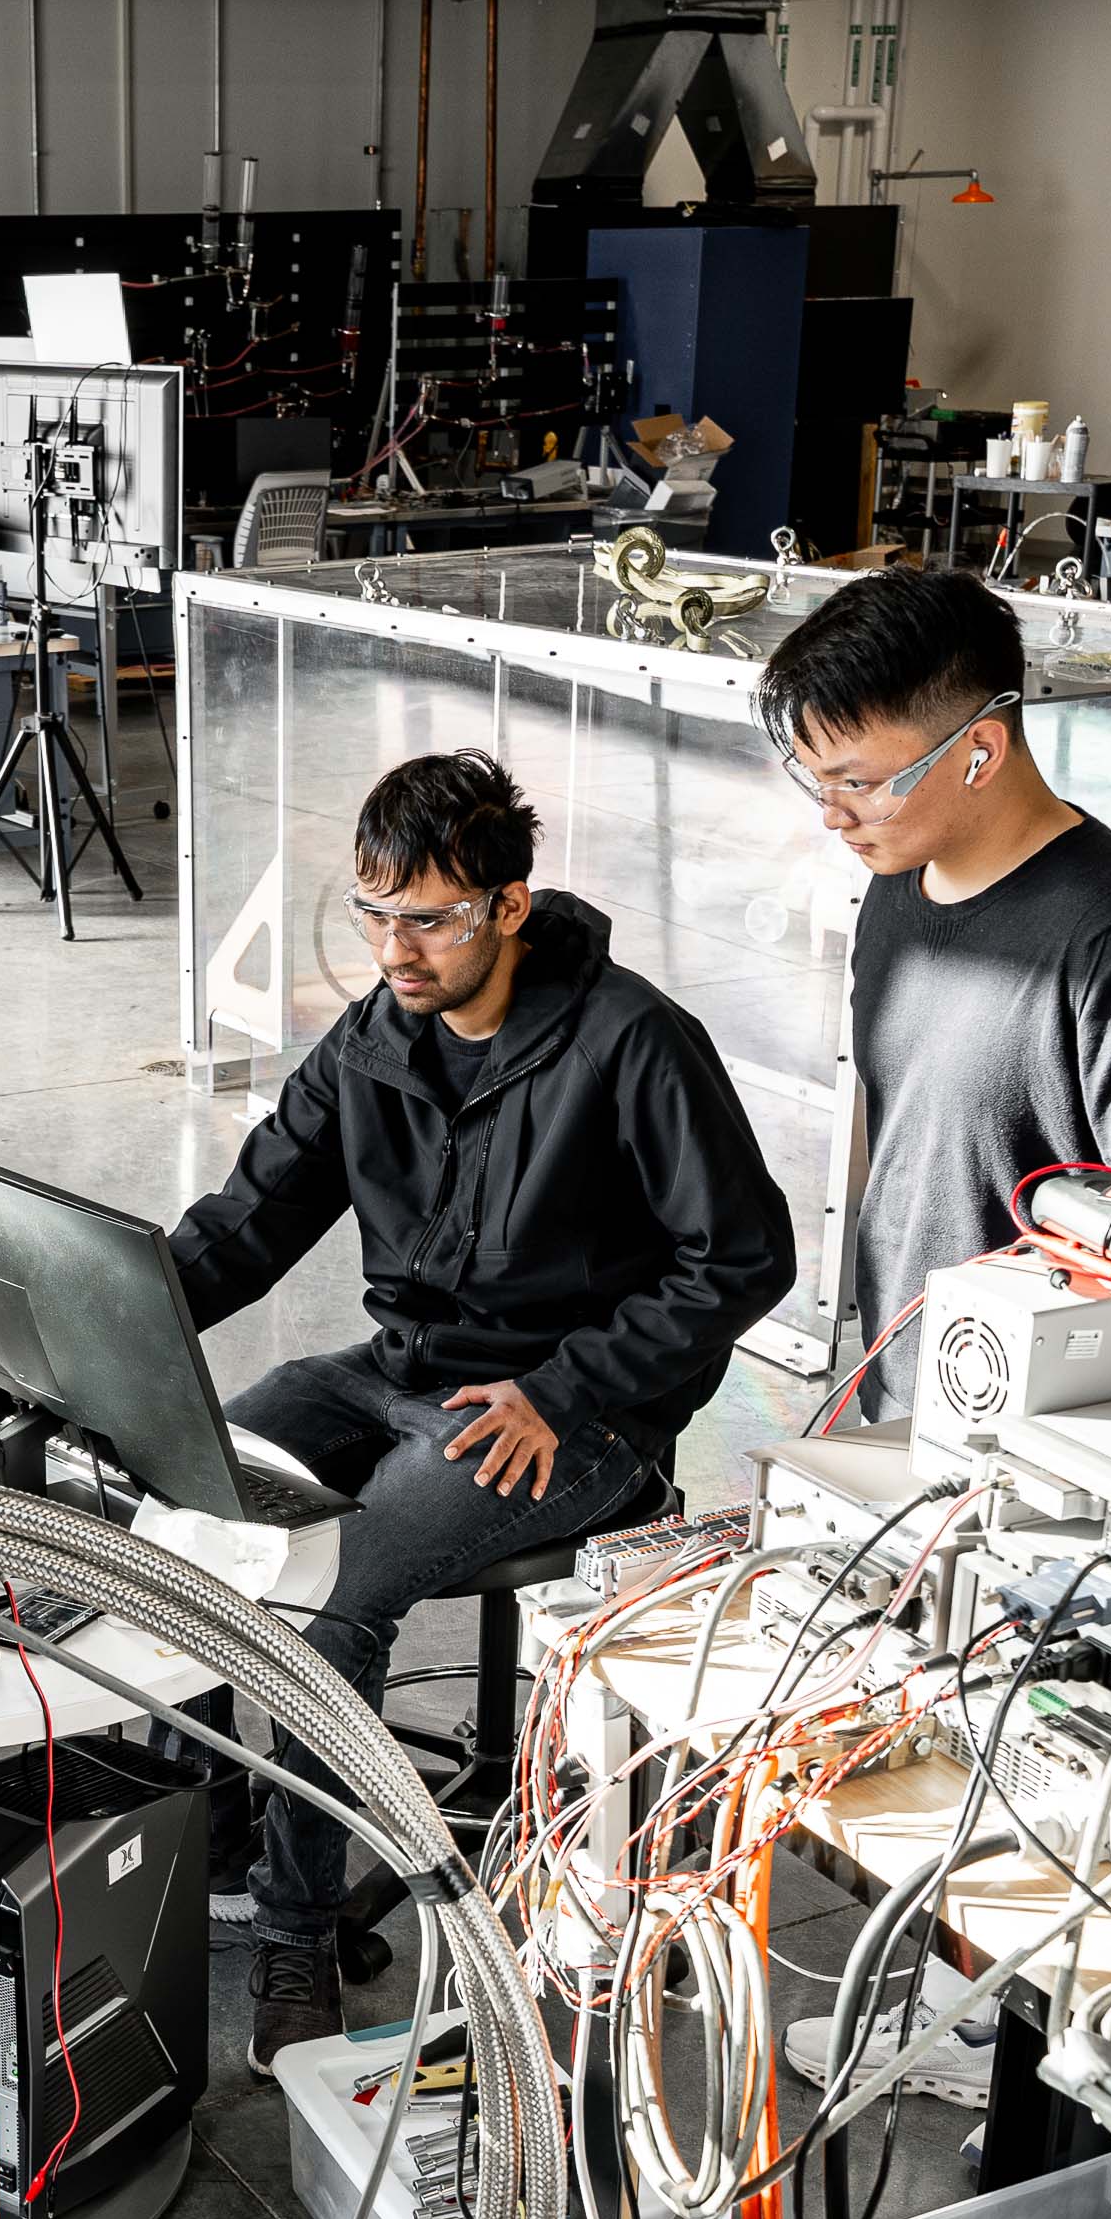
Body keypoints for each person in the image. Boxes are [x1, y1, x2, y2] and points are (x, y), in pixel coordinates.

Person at [168, 751, 798, 2068]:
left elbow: (741, 1261)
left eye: (431, 918)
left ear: (510, 906)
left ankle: (299, 1939)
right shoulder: (372, 1042)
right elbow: (248, 1224)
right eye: (375, 914)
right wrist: (112, 1321)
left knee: (336, 1586)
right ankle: (225, 1824)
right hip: (397, 1376)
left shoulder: (631, 1042)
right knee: (190, 1484)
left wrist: (565, 1388)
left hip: (575, 1417)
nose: (396, 950)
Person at [757, 569, 1111, 1420]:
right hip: (911, 1380)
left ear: (979, 752)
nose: (834, 814)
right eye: (816, 780)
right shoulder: (900, 879)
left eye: (859, 782)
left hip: (1042, 1414)